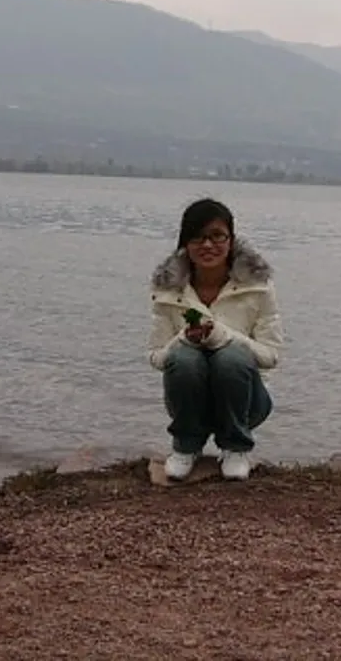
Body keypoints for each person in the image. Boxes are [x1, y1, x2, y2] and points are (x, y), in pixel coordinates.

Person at [147, 198, 283, 481]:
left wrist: (225, 336)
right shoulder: (168, 290)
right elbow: (157, 358)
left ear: (231, 240)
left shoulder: (258, 286)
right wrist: (184, 338)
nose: (208, 245)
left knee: (230, 357)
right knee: (184, 358)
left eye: (217, 236)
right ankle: (186, 446)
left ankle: (236, 447)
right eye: (198, 237)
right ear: (185, 243)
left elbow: (271, 357)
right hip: (188, 402)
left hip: (247, 403)